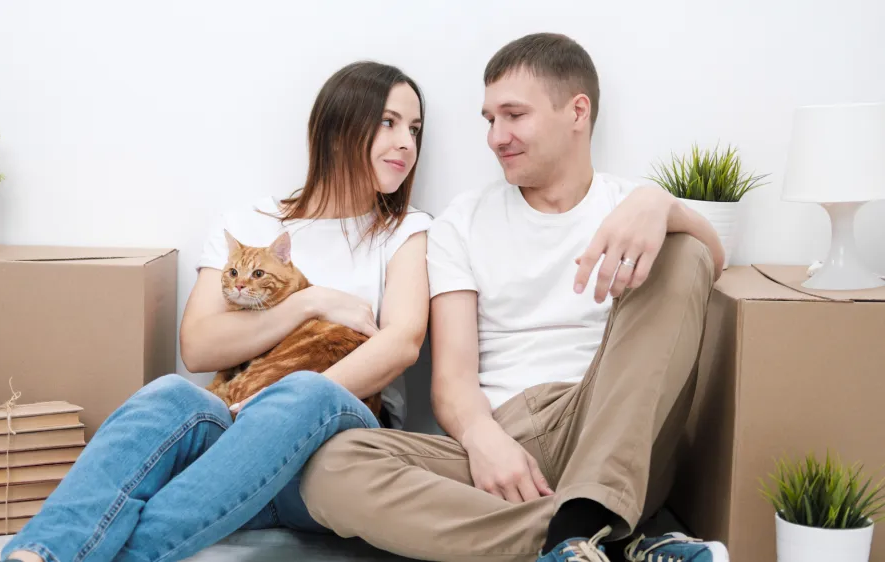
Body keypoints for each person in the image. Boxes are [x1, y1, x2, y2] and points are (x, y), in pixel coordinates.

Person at [300, 33, 731, 562]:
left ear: (577, 112)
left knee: (685, 252)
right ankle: (599, 538)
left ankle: (587, 519)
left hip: (614, 426)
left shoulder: (631, 209)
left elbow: (709, 265)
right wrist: (482, 436)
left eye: (513, 115)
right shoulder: (463, 221)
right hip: (506, 442)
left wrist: (663, 206)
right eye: (489, 119)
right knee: (330, 467)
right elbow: (454, 380)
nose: (495, 136)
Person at [0, 60, 432, 562]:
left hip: (332, 457)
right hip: (232, 456)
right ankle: (38, 555)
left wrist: (276, 406)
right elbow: (199, 346)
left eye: (415, 129)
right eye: (388, 122)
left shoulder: (404, 230)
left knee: (306, 394)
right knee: (170, 394)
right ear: (336, 129)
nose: (406, 142)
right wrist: (308, 301)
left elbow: (402, 342)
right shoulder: (250, 222)